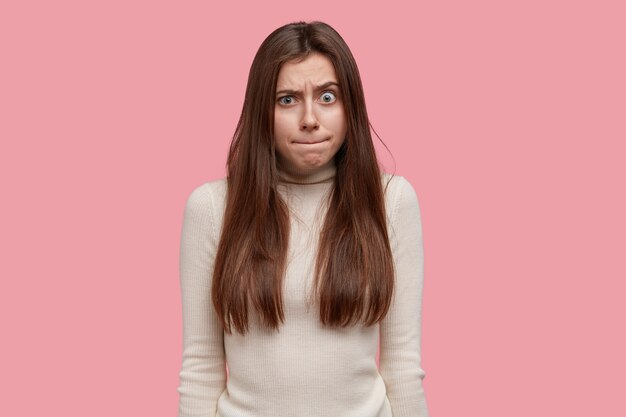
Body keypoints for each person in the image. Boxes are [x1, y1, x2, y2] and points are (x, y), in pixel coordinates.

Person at [177, 20, 429, 417]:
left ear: (351, 107)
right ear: (262, 109)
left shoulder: (391, 201)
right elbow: (201, 371)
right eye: (287, 99)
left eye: (327, 97)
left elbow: (402, 369)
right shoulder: (212, 208)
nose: (310, 118)